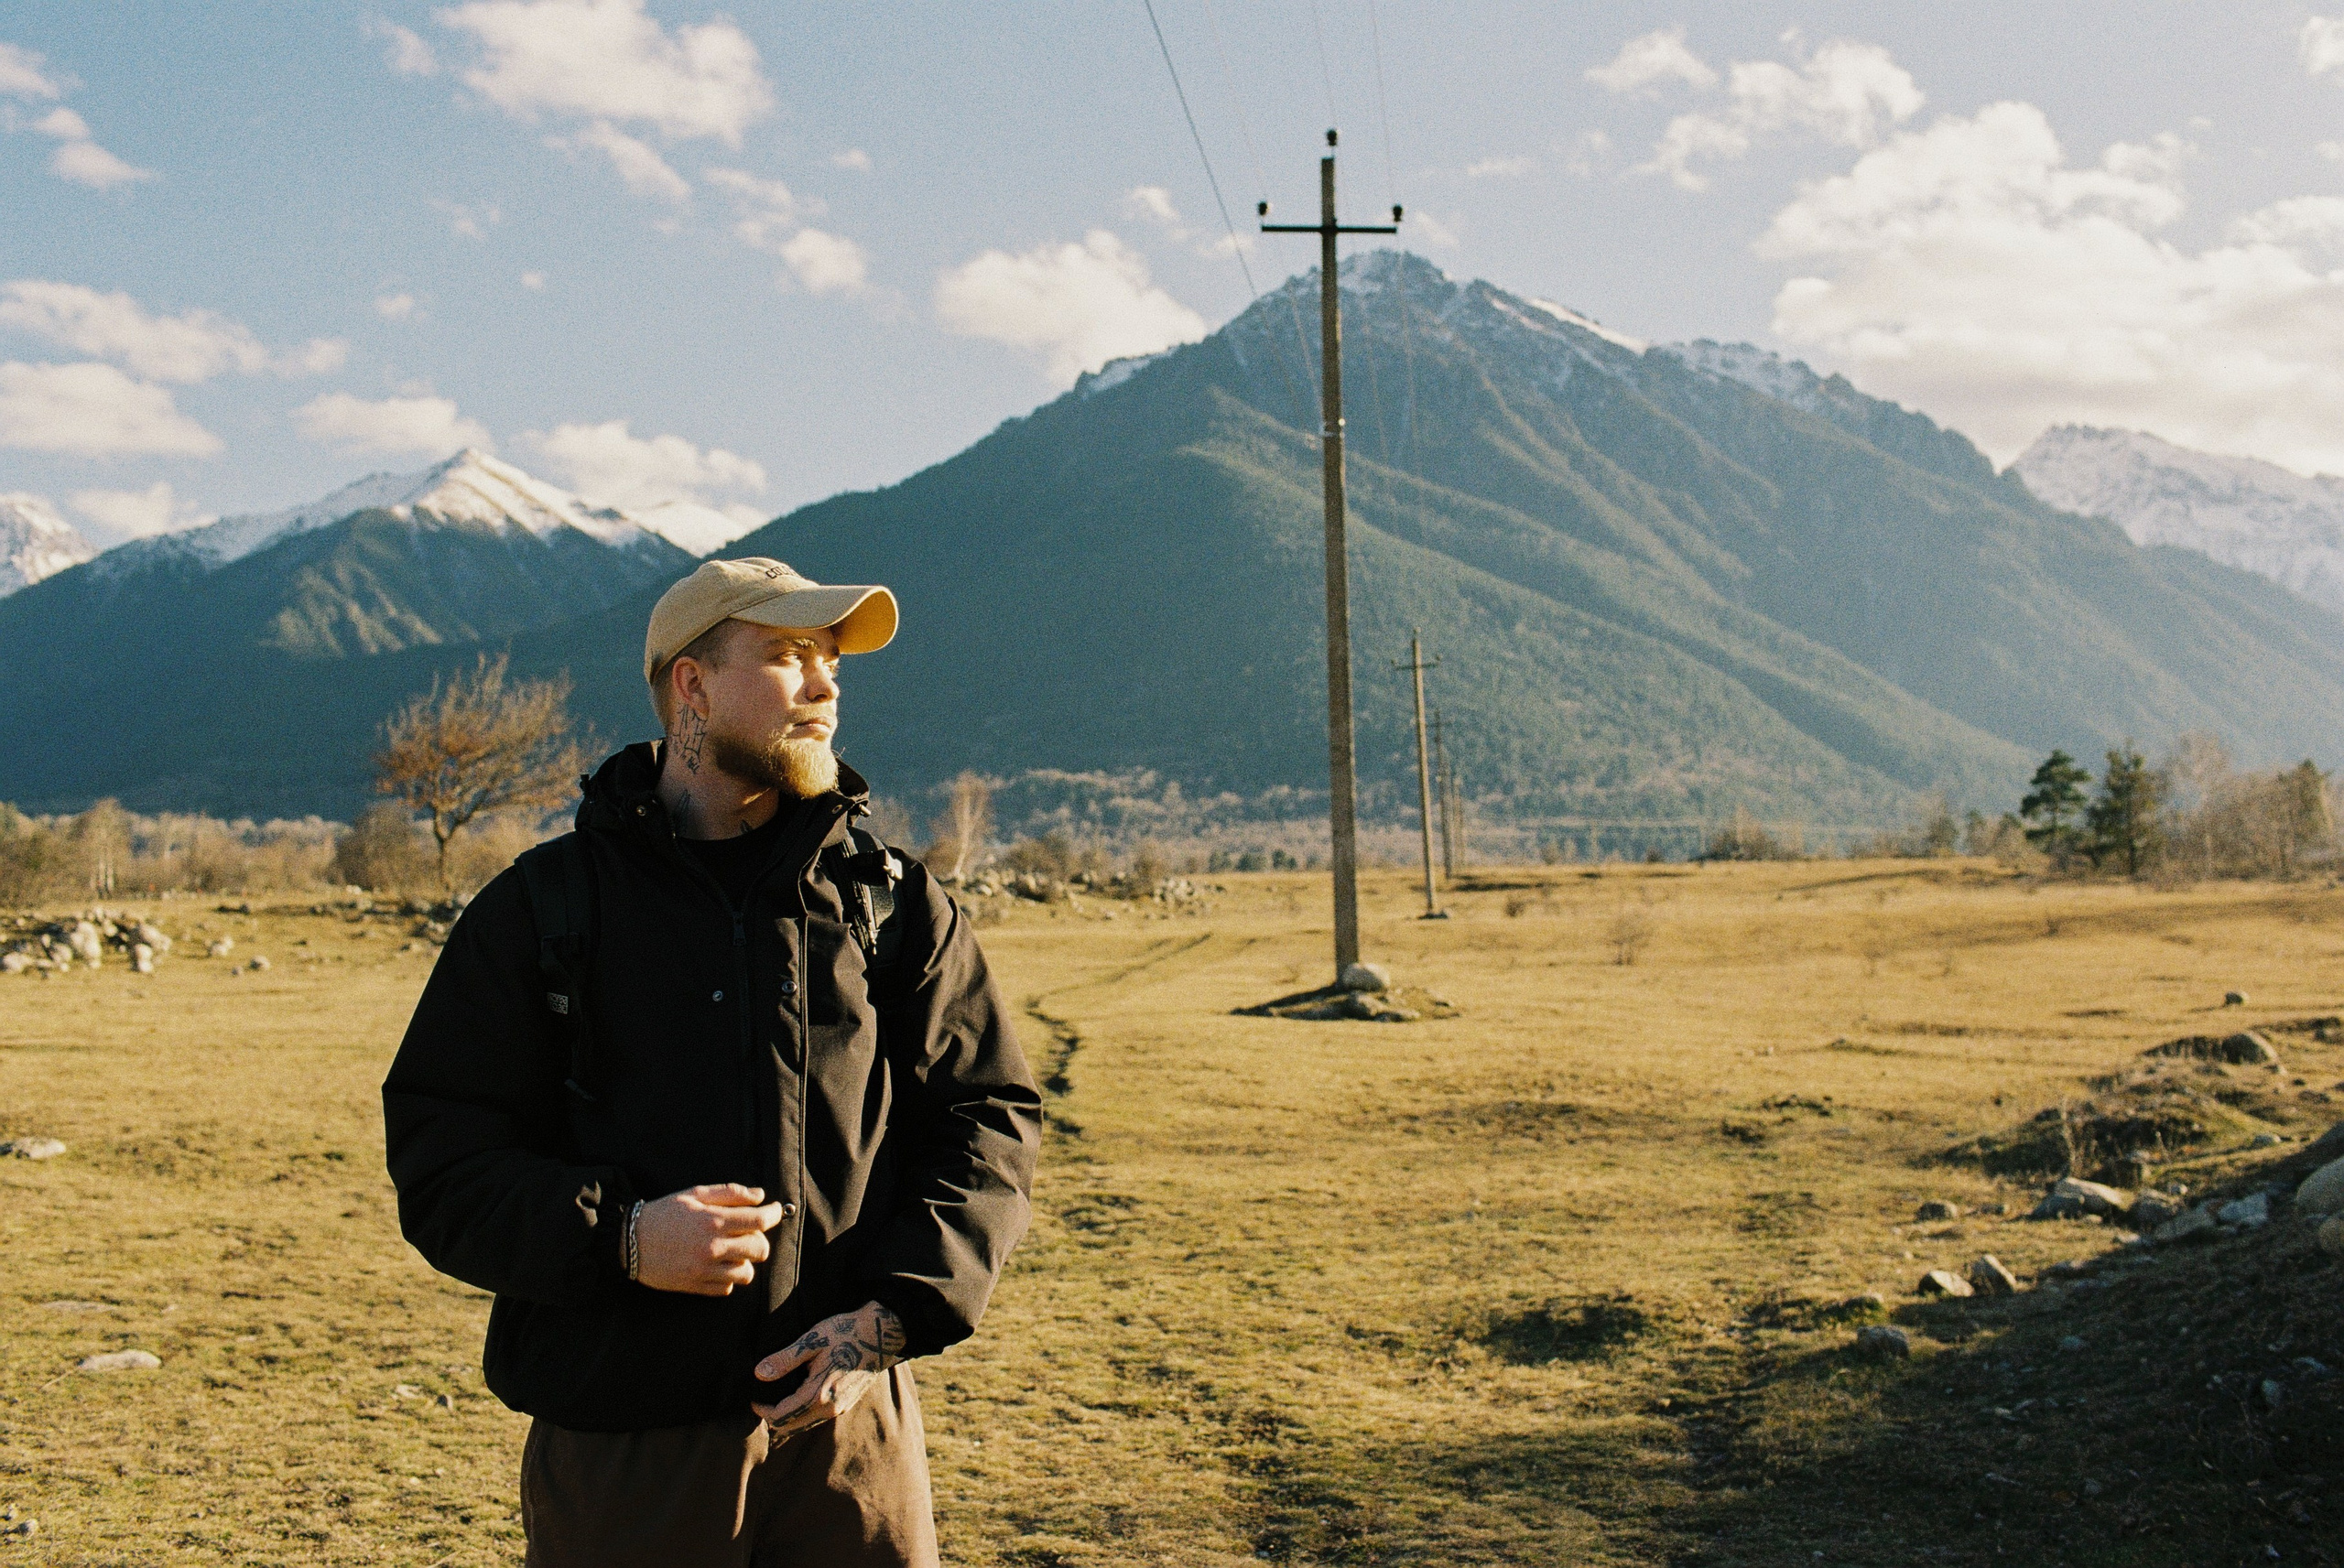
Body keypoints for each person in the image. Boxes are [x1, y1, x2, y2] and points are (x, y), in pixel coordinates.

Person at [382, 557, 1041, 1566]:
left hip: (849, 1441)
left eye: (830, 660)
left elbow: (987, 1120)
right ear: (690, 686)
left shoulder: (893, 905)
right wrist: (627, 1240)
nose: (825, 686)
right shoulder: (545, 910)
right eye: (786, 657)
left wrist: (889, 1320)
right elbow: (443, 1163)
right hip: (623, 1451)